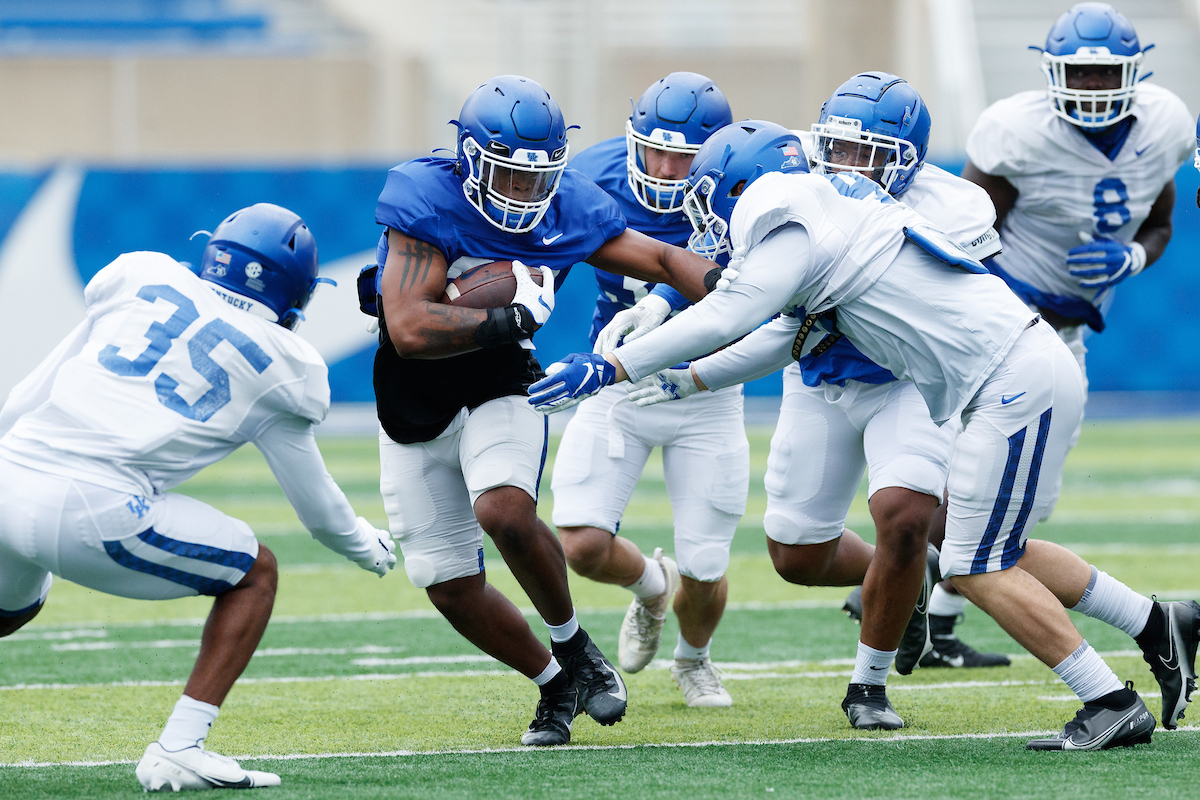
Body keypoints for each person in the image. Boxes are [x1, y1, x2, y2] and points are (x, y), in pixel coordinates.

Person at [529, 120, 1200, 750]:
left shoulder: (787, 217)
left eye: (708, 194)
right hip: (1007, 375)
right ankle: (1154, 621)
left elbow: (732, 310)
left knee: (973, 565)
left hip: (1010, 380)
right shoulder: (834, 219)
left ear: (743, 185)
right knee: (990, 550)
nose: (704, 214)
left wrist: (612, 364)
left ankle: (1109, 701)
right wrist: (688, 382)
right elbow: (788, 339)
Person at [366, 74, 718, 747]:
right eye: (510, 176)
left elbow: (664, 256)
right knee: (446, 584)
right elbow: (409, 327)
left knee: (502, 509)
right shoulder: (423, 195)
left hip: (499, 382)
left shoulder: (570, 206)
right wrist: (508, 315)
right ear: (469, 159)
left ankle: (574, 646)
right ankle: (557, 681)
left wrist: (747, 292)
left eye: (539, 179)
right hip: (410, 396)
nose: (527, 195)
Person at [0, 203, 397, 792]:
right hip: (97, 504)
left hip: (11, 475)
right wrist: (369, 546)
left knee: (10, 610)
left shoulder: (141, 275)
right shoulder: (286, 365)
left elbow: (39, 388)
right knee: (255, 573)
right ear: (294, 296)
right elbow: (320, 513)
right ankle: (180, 747)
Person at [798, 73, 1012, 686]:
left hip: (905, 378)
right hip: (819, 374)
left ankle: (868, 682)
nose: (845, 165)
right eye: (836, 148)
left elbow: (969, 307)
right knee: (795, 554)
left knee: (905, 515)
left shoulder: (954, 207)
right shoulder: (796, 184)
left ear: (905, 161)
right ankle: (907, 572)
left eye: (864, 153)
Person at [551, 72, 740, 708]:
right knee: (580, 540)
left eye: (682, 157)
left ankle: (694, 659)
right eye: (652, 149)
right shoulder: (590, 174)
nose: (662, 168)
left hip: (704, 383)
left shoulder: (747, 186)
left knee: (709, 564)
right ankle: (653, 587)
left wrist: (662, 300)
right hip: (618, 373)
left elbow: (734, 282)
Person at [962, 2, 1193, 513]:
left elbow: (1159, 224)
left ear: (1133, 72)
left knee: (1033, 497)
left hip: (1067, 335)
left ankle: (933, 587)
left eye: (1106, 71)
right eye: (1079, 72)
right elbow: (965, 233)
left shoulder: (1166, 123)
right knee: (978, 475)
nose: (1092, 85)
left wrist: (1132, 258)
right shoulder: (1016, 129)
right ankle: (926, 591)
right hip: (1003, 323)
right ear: (1052, 71)